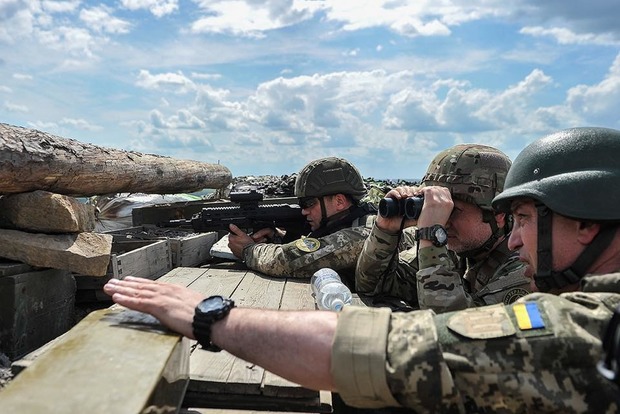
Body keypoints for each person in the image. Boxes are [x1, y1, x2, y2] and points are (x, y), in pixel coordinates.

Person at [104, 127, 620, 412]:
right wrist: (392, 231)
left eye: (524, 220)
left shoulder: (522, 279)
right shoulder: (472, 258)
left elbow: (433, 342)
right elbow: (379, 283)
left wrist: (211, 315)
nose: (514, 237)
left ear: (589, 223)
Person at [356, 144, 531, 312]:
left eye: (452, 210)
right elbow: (372, 287)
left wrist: (431, 235)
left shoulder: (526, 266)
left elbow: (458, 329)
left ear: (498, 214)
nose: (444, 221)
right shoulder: (453, 249)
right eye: (436, 208)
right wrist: (385, 231)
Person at [227, 156, 402, 289]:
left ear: (339, 201)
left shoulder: (364, 232)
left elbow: (290, 260)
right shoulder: (348, 222)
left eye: (309, 203)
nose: (303, 211)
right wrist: (278, 237)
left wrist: (248, 250)